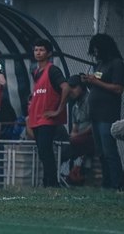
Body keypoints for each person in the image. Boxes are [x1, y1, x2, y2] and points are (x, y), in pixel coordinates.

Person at [82, 33, 124, 189]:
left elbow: (118, 88)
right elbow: (97, 83)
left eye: (97, 49)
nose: (95, 53)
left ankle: (117, 184)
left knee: (109, 151)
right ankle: (106, 183)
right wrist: (89, 82)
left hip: (107, 114)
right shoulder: (99, 64)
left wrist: (96, 82)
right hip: (95, 114)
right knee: (100, 152)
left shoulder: (117, 63)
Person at [28, 38, 69, 187]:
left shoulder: (52, 69)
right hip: (37, 118)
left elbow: (66, 87)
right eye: (36, 50)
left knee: (46, 151)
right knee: (43, 152)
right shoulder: (36, 71)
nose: (38, 53)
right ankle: (47, 182)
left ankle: (52, 183)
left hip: (47, 118)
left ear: (49, 53)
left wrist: (58, 110)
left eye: (42, 50)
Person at [66, 74, 94, 184]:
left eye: (74, 87)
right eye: (69, 88)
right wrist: (73, 135)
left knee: (73, 142)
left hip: (91, 137)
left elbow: (93, 125)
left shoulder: (90, 100)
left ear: (82, 87)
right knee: (65, 142)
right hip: (79, 139)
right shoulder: (75, 106)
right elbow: (74, 127)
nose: (71, 91)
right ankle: (72, 173)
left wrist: (77, 136)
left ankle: (79, 173)